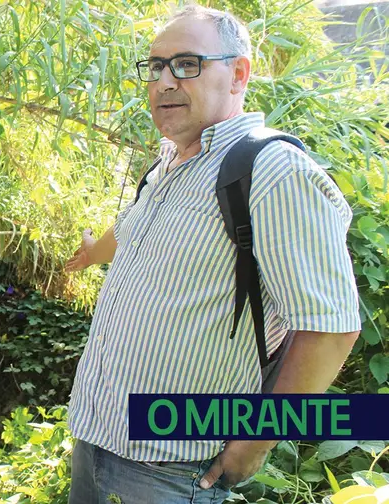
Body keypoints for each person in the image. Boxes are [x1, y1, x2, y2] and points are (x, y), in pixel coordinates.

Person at [64, 6, 361, 503]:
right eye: (155, 66)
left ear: (239, 73)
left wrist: (256, 440)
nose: (163, 81)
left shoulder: (272, 171)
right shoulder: (169, 163)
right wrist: (96, 251)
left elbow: (332, 328)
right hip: (95, 445)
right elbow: (137, 229)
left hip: (170, 473)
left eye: (186, 63)